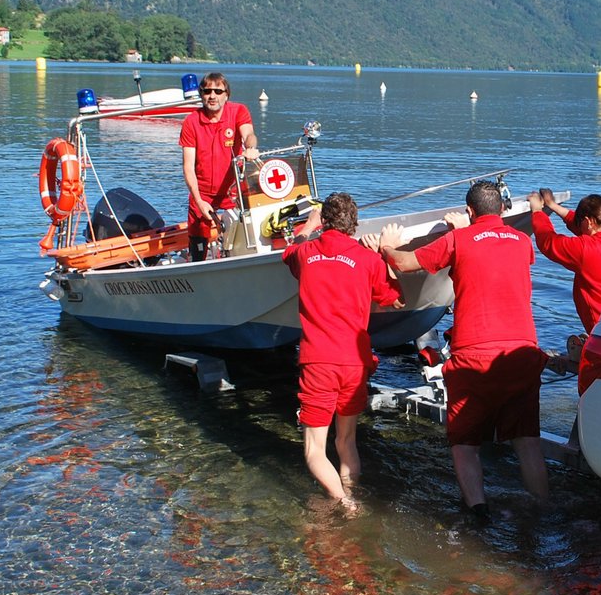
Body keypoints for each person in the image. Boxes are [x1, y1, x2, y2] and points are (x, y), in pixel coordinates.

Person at [378, 181, 549, 518]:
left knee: (464, 444)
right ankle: (544, 508)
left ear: (469, 212)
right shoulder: (522, 241)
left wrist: (387, 247)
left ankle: (478, 512)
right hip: (523, 352)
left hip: (475, 356)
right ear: (501, 210)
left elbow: (404, 263)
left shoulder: (458, 239)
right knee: (527, 442)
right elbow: (494, 251)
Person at [282, 193, 403, 509]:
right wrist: (383, 254)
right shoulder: (368, 260)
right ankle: (351, 491)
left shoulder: (307, 253)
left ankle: (347, 505)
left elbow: (288, 252)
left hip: (319, 361)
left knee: (314, 451)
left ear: (324, 222)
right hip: (354, 362)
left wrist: (307, 227)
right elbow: (393, 297)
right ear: (354, 225)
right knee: (346, 442)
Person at [527, 189, 601, 334]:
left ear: (588, 221)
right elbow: (589, 230)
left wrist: (536, 211)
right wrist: (553, 205)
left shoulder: (586, 249)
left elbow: (547, 241)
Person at [178, 71, 259, 261]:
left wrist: (251, 148)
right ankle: (197, 267)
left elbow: (248, 134)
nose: (212, 96)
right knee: (198, 239)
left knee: (246, 232)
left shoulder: (238, 111)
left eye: (217, 91)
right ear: (201, 95)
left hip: (234, 189)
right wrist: (199, 201)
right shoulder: (191, 122)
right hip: (203, 191)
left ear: (226, 95)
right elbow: (188, 167)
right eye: (207, 91)